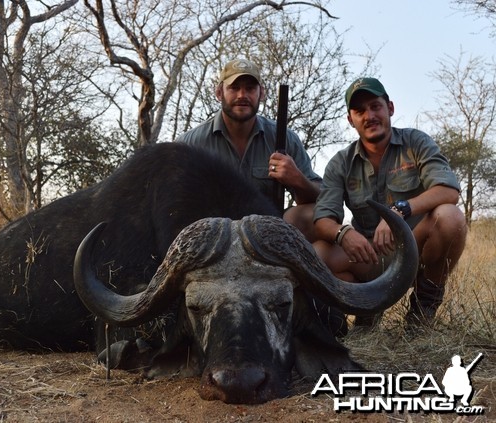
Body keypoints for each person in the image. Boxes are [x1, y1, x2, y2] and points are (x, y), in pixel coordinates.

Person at [312, 77, 467, 331]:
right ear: (351, 120)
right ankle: (364, 312)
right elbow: (322, 221)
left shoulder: (416, 142)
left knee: (451, 218)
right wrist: (343, 234)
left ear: (390, 108)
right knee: (318, 253)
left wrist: (399, 212)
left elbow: (448, 191)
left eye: (375, 106)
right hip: (370, 254)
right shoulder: (340, 163)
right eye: (360, 111)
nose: (369, 116)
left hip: (414, 247)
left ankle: (421, 314)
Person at [175, 58, 321, 241]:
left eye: (250, 88)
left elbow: (322, 198)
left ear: (262, 94)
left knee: (317, 213)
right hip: (212, 240)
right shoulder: (189, 144)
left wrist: (297, 179)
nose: (242, 95)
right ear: (219, 92)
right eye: (234, 88)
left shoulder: (285, 138)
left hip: (269, 239)